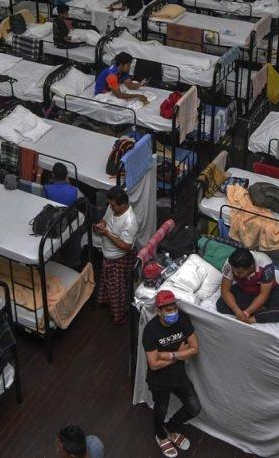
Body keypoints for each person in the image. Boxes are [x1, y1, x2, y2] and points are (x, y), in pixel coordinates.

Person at [143, 289, 201, 457]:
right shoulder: (150, 330)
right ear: (159, 311)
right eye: (168, 310)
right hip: (159, 381)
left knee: (194, 407)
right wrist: (180, 355)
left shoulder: (182, 319)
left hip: (179, 376)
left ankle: (172, 428)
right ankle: (161, 435)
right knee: (160, 410)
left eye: (174, 307)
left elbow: (195, 349)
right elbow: (154, 365)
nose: (173, 312)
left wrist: (169, 355)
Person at [215, 247, 279, 324]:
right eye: (234, 271)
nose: (235, 274)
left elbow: (264, 295)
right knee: (220, 305)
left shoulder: (266, 264)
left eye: (239, 272)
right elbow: (225, 291)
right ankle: (261, 309)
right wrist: (237, 312)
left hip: (267, 292)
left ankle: (255, 317)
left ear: (251, 267)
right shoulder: (230, 264)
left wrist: (247, 313)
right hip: (244, 289)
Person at [94, 187, 137, 325]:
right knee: (108, 283)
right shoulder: (112, 209)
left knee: (118, 289)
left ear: (123, 204)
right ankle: (108, 302)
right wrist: (101, 225)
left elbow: (126, 246)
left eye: (113, 205)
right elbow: (105, 220)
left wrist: (106, 234)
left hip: (119, 258)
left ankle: (119, 314)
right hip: (108, 254)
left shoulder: (129, 222)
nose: (110, 207)